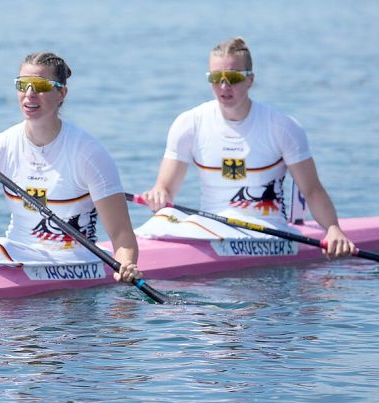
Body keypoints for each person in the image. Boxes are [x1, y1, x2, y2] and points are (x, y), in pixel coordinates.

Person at [0, 51, 143, 284]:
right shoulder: (0, 146)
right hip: (16, 255)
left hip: (76, 262)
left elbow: (121, 235)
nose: (29, 94)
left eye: (40, 85)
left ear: (61, 92)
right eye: (22, 85)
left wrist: (126, 266)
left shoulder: (88, 154)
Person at [138, 36, 355, 258]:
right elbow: (165, 189)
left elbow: (312, 190)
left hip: (267, 229)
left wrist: (333, 229)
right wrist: (157, 195)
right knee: (160, 220)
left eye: (232, 77)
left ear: (250, 80)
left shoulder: (282, 127)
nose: (224, 86)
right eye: (215, 78)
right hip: (210, 224)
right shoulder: (188, 123)